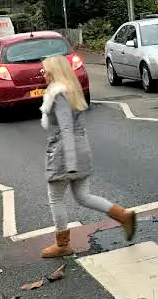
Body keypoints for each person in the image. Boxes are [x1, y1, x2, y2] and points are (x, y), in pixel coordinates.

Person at [37, 55, 136, 259]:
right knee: (83, 196)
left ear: (55, 72)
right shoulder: (72, 90)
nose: (43, 74)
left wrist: (70, 163)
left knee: (55, 198)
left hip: (64, 152)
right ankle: (123, 216)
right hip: (80, 147)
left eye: (45, 70)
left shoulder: (58, 93)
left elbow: (65, 129)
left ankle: (62, 244)